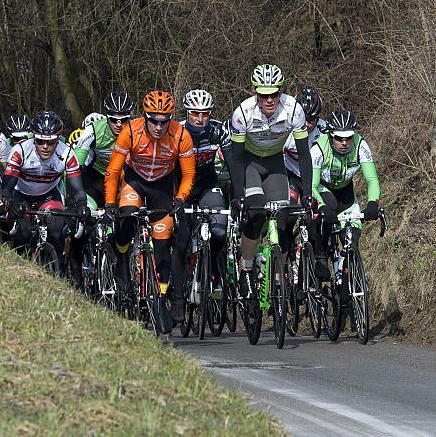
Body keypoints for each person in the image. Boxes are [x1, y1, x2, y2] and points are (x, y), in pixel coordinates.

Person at [104, 90, 196, 334]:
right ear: (144, 117)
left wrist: (180, 199)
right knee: (127, 216)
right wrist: (110, 202)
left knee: (163, 239)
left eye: (163, 121)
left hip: (162, 186)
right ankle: (122, 255)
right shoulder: (130, 131)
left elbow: (188, 175)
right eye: (153, 120)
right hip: (135, 181)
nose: (158, 126)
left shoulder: (180, 135)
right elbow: (113, 170)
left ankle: (162, 296)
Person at [227, 64, 314, 298]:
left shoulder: (293, 109)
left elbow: (305, 156)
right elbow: (235, 158)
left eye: (274, 94)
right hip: (249, 163)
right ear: (255, 92)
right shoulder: (242, 113)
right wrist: (238, 195)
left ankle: (278, 277)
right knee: (256, 215)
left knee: (283, 219)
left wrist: (307, 194)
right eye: (263, 95)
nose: (269, 100)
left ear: (280, 92)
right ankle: (245, 269)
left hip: (275, 162)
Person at [170, 89, 232, 323]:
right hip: (180, 186)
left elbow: (233, 163)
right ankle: (177, 299)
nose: (200, 118)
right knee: (181, 241)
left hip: (207, 184)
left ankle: (213, 267)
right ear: (187, 113)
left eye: (205, 114)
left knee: (219, 230)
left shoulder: (218, 130)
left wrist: (238, 196)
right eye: (195, 113)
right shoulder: (175, 131)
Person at [2, 111, 89, 267]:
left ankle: (56, 273)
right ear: (34, 137)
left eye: (51, 142)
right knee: (23, 234)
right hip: (21, 195)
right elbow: (6, 187)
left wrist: (82, 204)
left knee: (56, 233)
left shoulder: (67, 153)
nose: (45, 146)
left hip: (48, 196)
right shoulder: (20, 150)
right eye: (40, 141)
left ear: (58, 139)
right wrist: (10, 202)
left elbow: (78, 188)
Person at [67, 92, 134, 290]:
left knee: (127, 223)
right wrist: (75, 198)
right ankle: (76, 268)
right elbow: (76, 165)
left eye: (124, 120)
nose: (119, 125)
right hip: (95, 180)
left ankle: (123, 266)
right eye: (114, 120)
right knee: (84, 221)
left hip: (122, 181)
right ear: (107, 117)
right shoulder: (93, 130)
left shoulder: (137, 131)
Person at [311, 110, 381, 279]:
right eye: (339, 138)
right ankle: (320, 257)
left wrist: (373, 203)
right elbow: (311, 187)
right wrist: (321, 207)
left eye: (348, 138)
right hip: (322, 190)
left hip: (346, 193)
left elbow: (372, 180)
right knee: (328, 208)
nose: (344, 143)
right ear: (330, 135)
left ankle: (347, 288)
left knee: (352, 238)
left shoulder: (360, 145)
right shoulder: (318, 148)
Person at [283, 86, 325, 202]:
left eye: (311, 120)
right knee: (289, 211)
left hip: (316, 177)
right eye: (304, 118)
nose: (307, 124)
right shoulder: (286, 128)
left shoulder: (324, 131)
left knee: (316, 215)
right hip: (291, 174)